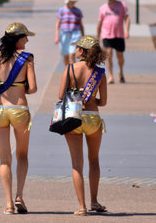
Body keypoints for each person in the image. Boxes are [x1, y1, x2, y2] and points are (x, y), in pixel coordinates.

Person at [0, 22, 37, 215]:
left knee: (4, 160)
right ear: (18, 39)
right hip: (19, 109)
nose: (27, 40)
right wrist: (22, 87)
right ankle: (19, 195)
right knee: (22, 155)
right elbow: (34, 88)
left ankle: (8, 205)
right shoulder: (27, 58)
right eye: (25, 37)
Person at [58, 35, 107, 216]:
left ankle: (81, 207)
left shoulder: (70, 68)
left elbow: (60, 95)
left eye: (77, 47)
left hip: (73, 117)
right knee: (93, 160)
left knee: (76, 164)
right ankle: (94, 201)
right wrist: (91, 99)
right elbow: (104, 102)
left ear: (81, 51)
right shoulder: (100, 72)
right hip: (93, 117)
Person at [97, 0, 130, 84]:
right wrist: (97, 36)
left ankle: (121, 71)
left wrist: (127, 31)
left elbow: (127, 19)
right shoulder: (102, 8)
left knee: (120, 56)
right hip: (106, 34)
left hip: (119, 35)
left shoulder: (122, 5)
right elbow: (100, 22)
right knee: (109, 54)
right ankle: (110, 75)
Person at [55, 0, 85, 66]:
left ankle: (73, 73)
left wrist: (83, 37)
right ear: (67, 1)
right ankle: (68, 71)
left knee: (71, 54)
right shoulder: (62, 10)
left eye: (73, 1)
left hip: (75, 34)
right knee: (65, 55)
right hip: (64, 34)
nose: (72, 2)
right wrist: (57, 36)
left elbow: (81, 24)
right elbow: (58, 24)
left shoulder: (77, 11)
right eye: (71, 1)